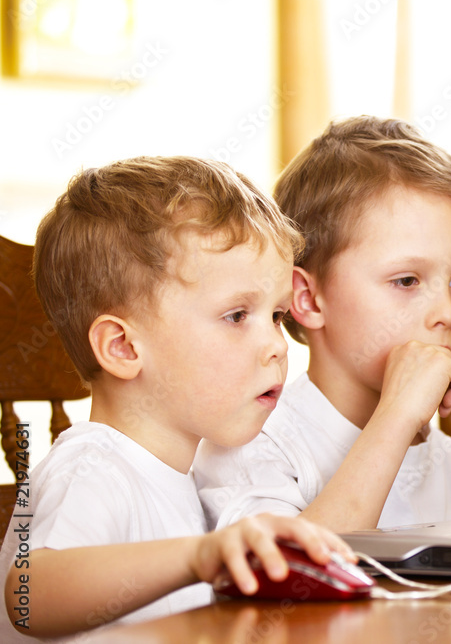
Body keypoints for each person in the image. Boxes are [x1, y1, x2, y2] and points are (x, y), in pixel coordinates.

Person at [0, 156, 355, 641]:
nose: (278, 344)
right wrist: (198, 556)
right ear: (123, 348)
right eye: (236, 316)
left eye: (275, 315)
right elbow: (31, 595)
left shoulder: (183, 477)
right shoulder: (91, 465)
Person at [194, 116, 451, 533]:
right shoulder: (251, 448)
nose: (448, 312)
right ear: (307, 298)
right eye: (407, 280)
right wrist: (397, 417)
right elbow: (295, 578)